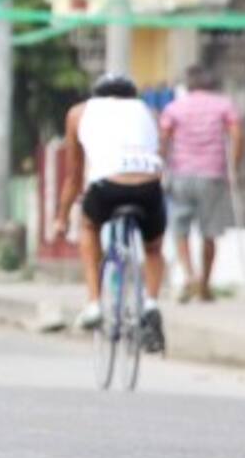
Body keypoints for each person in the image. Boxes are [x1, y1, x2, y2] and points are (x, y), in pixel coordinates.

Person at [55, 73, 167, 353]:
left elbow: (73, 176)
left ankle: (94, 303)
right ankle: (151, 303)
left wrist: (61, 217)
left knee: (89, 227)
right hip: (148, 186)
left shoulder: (79, 113)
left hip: (107, 186)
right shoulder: (148, 111)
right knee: (152, 247)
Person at [159, 64, 245, 303]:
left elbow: (164, 137)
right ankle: (205, 284)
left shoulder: (175, 107)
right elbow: (237, 134)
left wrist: (162, 164)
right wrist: (233, 168)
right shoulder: (224, 105)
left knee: (180, 228)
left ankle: (189, 275)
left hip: (181, 174)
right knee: (210, 232)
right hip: (212, 175)